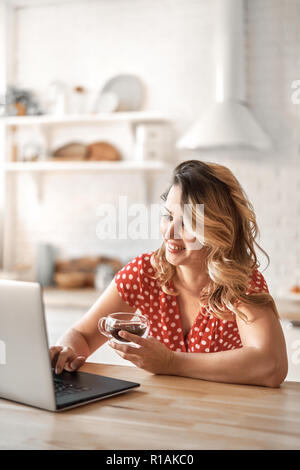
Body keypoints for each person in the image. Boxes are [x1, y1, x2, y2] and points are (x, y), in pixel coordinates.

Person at [50, 160, 288, 387]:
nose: (170, 233)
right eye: (168, 216)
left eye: (187, 223)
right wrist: (67, 351)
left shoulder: (240, 282)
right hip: (163, 412)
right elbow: (82, 335)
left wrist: (171, 363)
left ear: (218, 227)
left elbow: (271, 366)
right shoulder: (144, 272)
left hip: (225, 416)